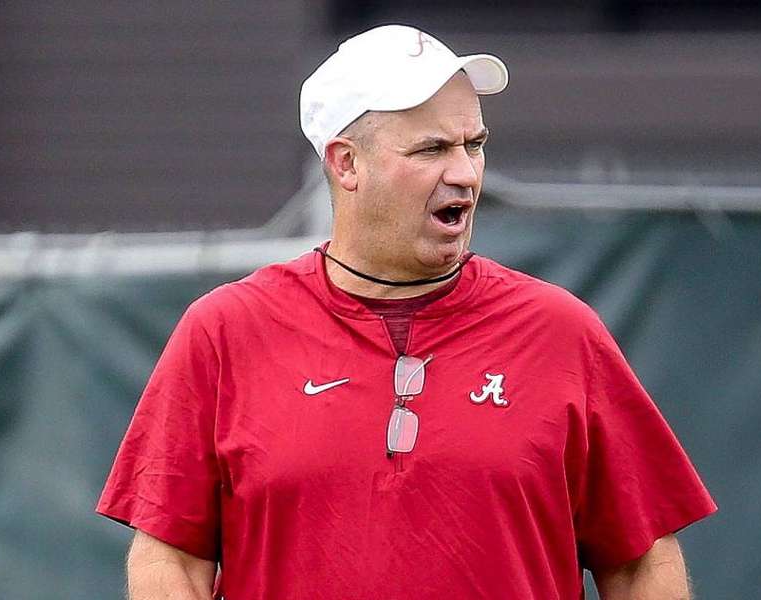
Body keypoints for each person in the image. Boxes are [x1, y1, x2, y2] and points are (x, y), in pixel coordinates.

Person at [97, 24, 717, 600]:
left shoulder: (561, 331)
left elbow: (639, 561)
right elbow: (170, 560)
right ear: (347, 164)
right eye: (431, 149)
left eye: (474, 144)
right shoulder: (224, 332)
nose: (465, 173)